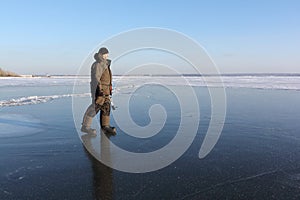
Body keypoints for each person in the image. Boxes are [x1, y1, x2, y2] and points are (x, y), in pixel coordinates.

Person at [81, 47, 116, 135]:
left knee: (106, 107)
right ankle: (85, 126)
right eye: (105, 54)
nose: (106, 55)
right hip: (99, 89)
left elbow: (107, 78)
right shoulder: (98, 64)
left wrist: (109, 88)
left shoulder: (106, 64)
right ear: (101, 54)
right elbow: (96, 78)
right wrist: (99, 89)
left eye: (107, 54)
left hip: (106, 89)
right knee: (96, 106)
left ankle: (105, 126)